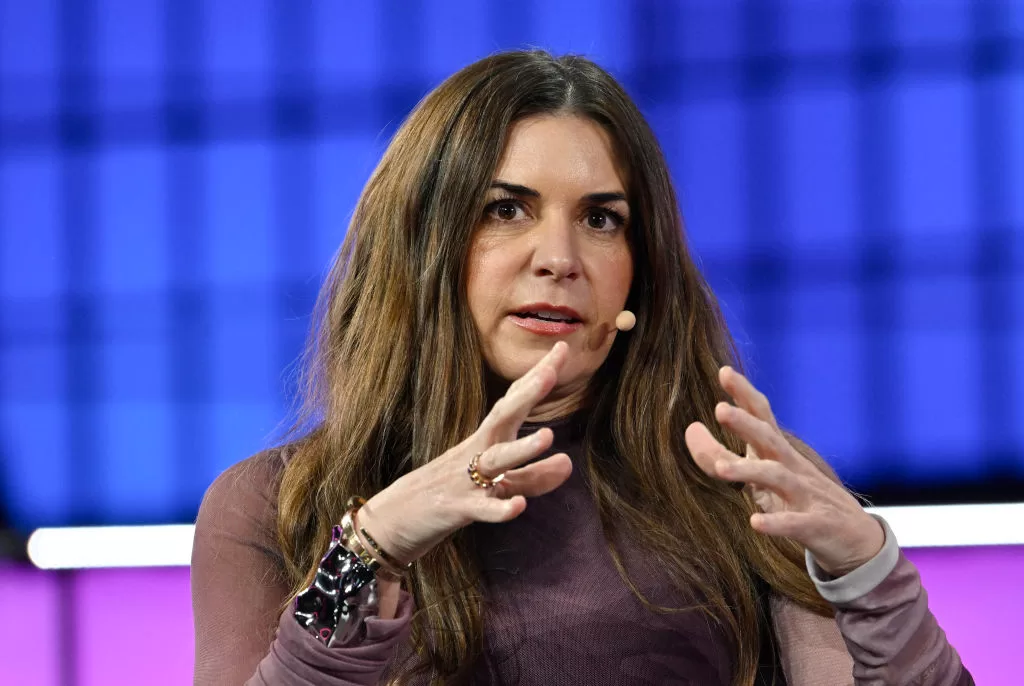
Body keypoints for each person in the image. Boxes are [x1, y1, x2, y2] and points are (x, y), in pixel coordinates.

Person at [191, 51, 972, 685]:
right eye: (506, 209)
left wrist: (871, 577)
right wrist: (367, 551)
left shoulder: (742, 483)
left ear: (641, 269)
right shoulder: (275, 505)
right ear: (422, 248)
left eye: (602, 220)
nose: (559, 260)